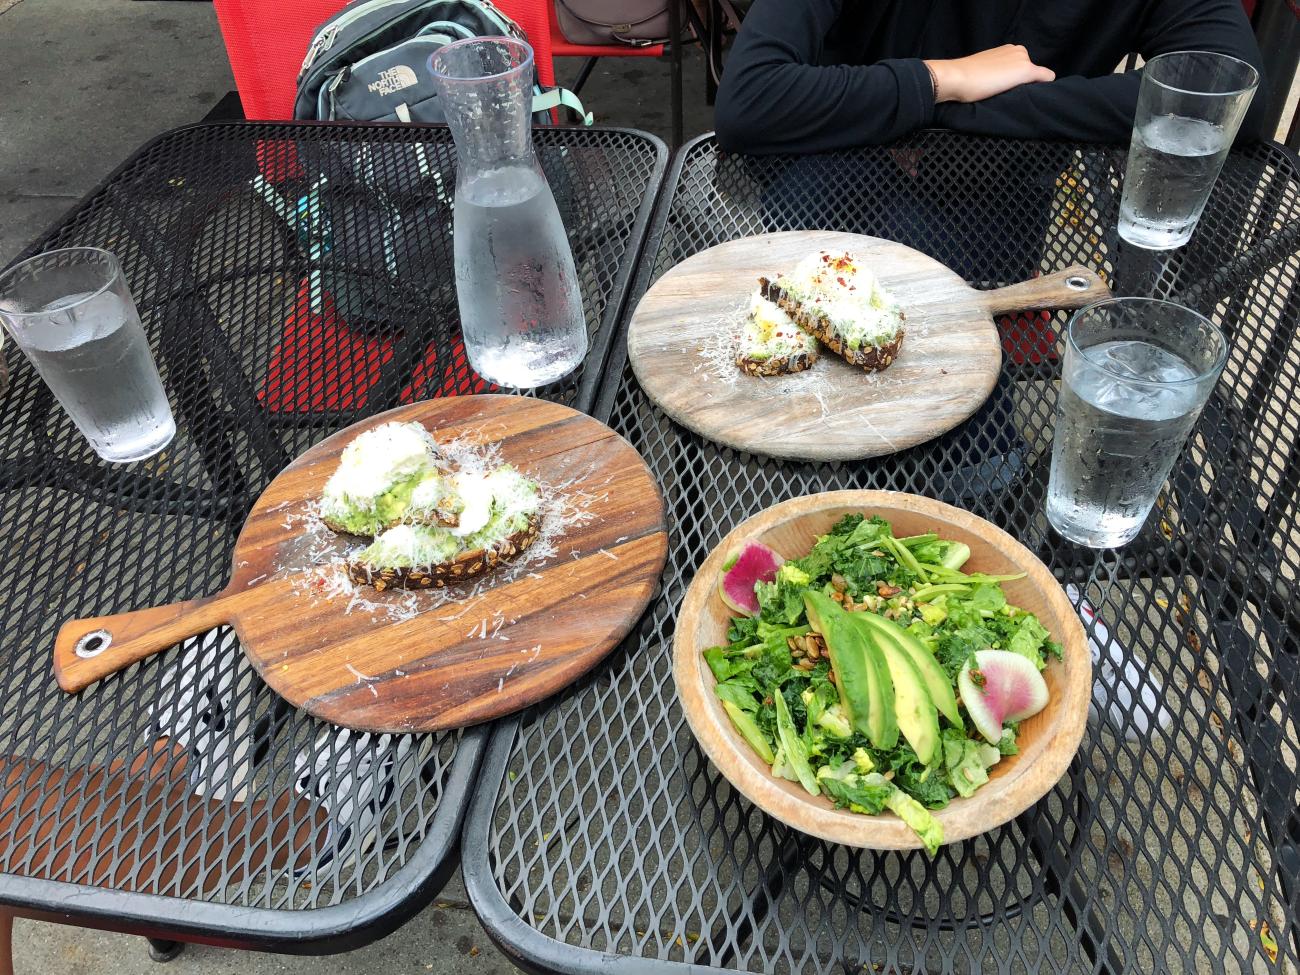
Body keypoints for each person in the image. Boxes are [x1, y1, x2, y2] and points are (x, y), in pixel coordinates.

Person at [715, 0, 1268, 154]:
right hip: (832, 161)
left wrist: (948, 106)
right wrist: (946, 77)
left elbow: (1231, 97)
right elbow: (751, 100)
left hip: (999, 188)